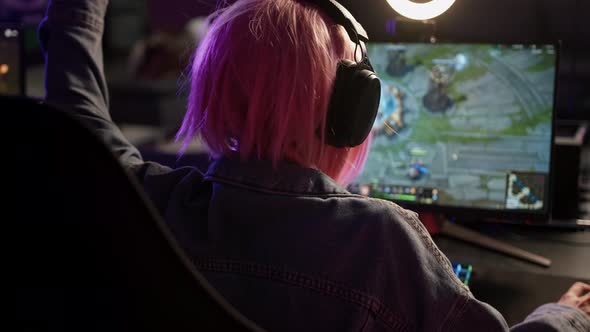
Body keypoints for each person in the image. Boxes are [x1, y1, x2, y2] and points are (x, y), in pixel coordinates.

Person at [40, 0, 590, 331]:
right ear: (351, 110)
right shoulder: (380, 240)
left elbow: (77, 112)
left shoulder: (150, 206)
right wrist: (563, 315)